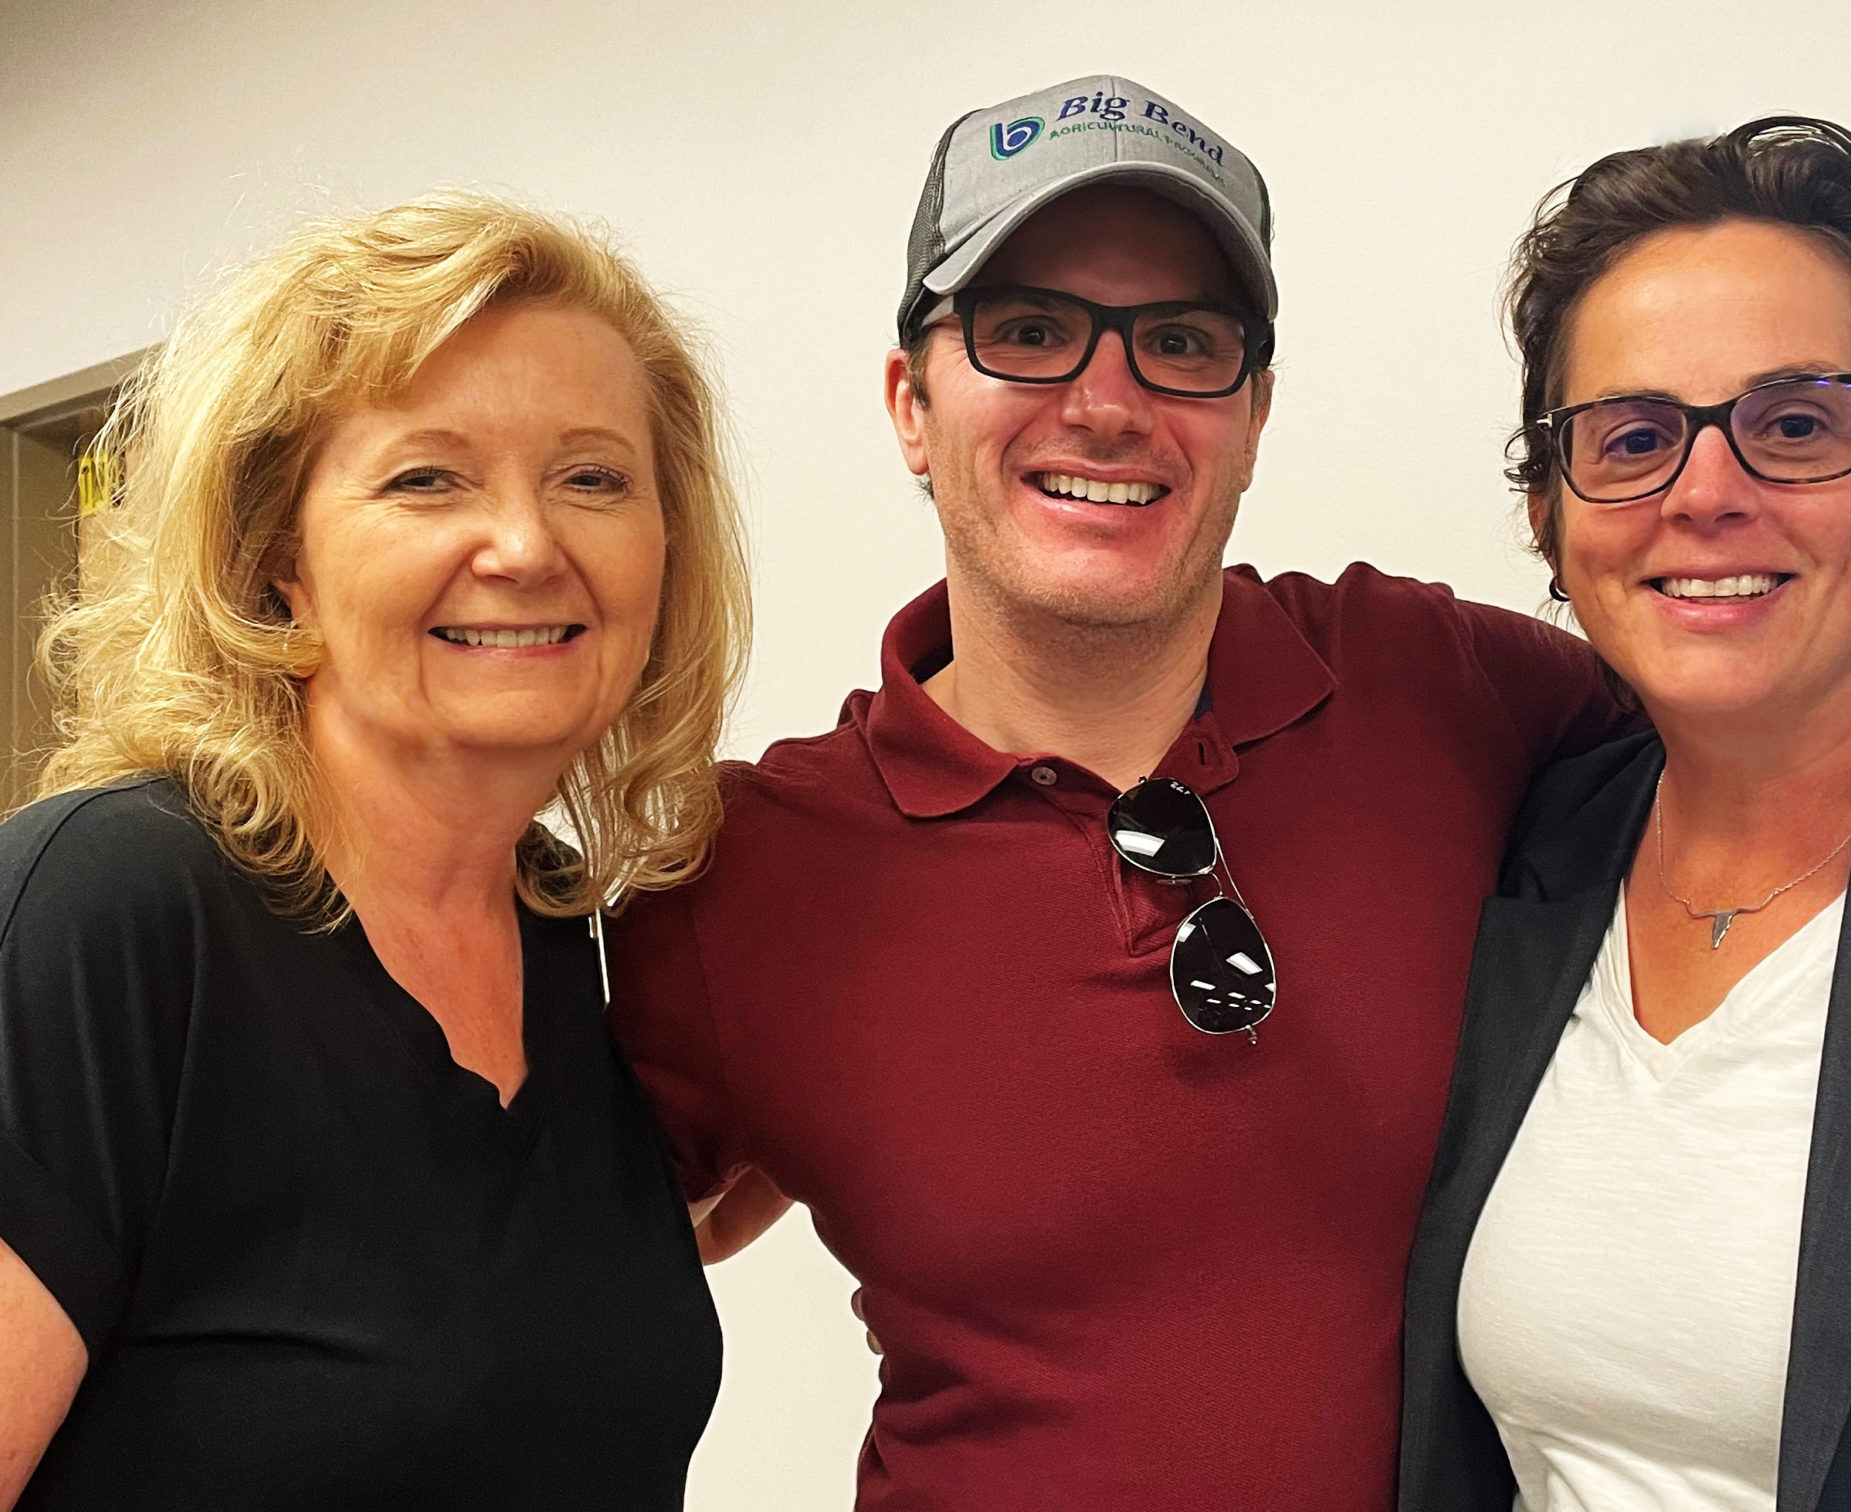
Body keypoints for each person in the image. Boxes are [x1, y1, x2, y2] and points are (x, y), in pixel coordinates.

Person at [608, 76, 1632, 1510]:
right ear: (912, 402)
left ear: (1256, 411)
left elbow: (1764, 773)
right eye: (1028, 331)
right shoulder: (747, 875)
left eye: (1181, 344)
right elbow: (526, 1284)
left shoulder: (1441, 683)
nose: (1107, 402)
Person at [0, 194, 747, 1509]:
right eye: (426, 477)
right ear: (279, 554)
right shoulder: (112, 914)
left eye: (591, 477)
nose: (524, 547)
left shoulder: (585, 945)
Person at [1399, 117, 1851, 1512]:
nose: (1705, 492)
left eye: (1795, 423)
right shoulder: (1516, 855)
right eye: (1631, 438)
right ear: (1548, 510)